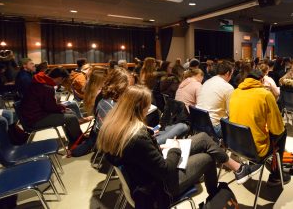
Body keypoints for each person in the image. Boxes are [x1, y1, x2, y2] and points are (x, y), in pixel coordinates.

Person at [97, 85, 262, 207]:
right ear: (139, 107)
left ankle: (238, 169)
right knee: (208, 158)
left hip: (147, 176)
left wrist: (161, 149)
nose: (149, 109)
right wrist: (174, 148)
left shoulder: (116, 127)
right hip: (160, 188)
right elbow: (165, 170)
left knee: (203, 138)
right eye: (147, 106)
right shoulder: (136, 136)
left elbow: (143, 157)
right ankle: (216, 199)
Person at [229, 70, 291, 186]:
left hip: (235, 145)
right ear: (262, 80)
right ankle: (276, 176)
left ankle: (259, 167)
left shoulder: (235, 92)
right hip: (255, 149)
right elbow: (277, 128)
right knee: (283, 132)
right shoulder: (265, 94)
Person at [20, 68, 83, 145]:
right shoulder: (47, 87)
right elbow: (50, 107)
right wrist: (62, 108)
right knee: (71, 118)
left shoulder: (39, 80)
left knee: (70, 113)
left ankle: (75, 138)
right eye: (62, 81)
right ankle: (78, 141)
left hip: (31, 115)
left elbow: (47, 105)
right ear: (60, 78)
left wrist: (61, 108)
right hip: (35, 119)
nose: (60, 83)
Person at [196, 61, 234, 138]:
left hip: (199, 123)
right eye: (231, 74)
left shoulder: (207, 82)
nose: (231, 77)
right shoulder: (228, 87)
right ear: (227, 73)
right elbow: (231, 112)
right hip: (214, 127)